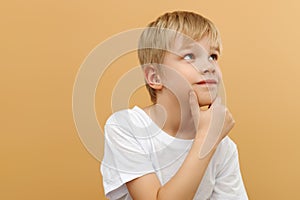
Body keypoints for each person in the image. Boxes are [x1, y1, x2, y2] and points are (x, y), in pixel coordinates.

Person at [101, 11, 248, 200]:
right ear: (155, 77)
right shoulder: (125, 127)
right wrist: (206, 140)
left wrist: (210, 139)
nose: (209, 66)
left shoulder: (222, 146)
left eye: (213, 56)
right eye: (189, 56)